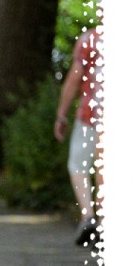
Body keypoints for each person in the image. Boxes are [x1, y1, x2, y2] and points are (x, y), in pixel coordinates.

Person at [54, 25, 101, 244]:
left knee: (78, 165)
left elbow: (74, 78)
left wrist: (61, 115)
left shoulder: (90, 39)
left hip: (91, 115)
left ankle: (88, 215)